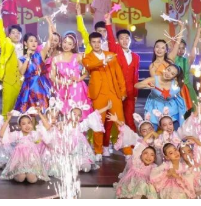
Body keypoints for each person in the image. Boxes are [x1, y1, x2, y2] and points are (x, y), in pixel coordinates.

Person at [82, 32, 129, 160]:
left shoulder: (111, 55)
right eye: (94, 42)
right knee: (98, 123)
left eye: (99, 41)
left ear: (102, 42)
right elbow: (89, 66)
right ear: (90, 43)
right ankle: (98, 151)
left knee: (120, 122)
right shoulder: (87, 57)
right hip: (98, 95)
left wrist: (123, 91)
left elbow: (119, 74)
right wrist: (103, 61)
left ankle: (127, 151)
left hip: (113, 93)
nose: (97, 44)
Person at [104, 13, 140, 131]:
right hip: (116, 91)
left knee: (130, 119)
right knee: (113, 119)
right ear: (118, 41)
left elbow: (136, 76)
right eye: (121, 38)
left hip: (130, 93)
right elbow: (110, 39)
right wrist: (108, 23)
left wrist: (135, 94)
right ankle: (110, 141)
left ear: (130, 40)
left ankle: (133, 141)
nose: (124, 40)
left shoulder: (136, 57)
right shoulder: (116, 51)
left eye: (127, 38)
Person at [0, 110, 51, 183]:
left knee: (32, 180)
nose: (27, 126)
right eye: (23, 124)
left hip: (31, 163)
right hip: (20, 163)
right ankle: (17, 174)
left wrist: (40, 114)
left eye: (29, 123)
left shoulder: (33, 134)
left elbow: (47, 128)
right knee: (21, 178)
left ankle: (31, 173)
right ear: (19, 126)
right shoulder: (17, 134)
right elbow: (2, 135)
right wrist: (8, 120)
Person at [50, 30, 92, 117]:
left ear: (73, 46)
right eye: (65, 42)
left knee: (80, 114)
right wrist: (63, 82)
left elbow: (87, 71)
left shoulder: (78, 56)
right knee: (67, 115)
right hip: (64, 88)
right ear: (61, 43)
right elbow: (52, 77)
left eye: (69, 44)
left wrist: (79, 79)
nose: (66, 45)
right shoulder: (56, 59)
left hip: (78, 88)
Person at [135, 63, 187, 129]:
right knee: (152, 130)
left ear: (174, 77)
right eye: (168, 70)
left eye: (172, 74)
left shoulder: (176, 84)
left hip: (170, 107)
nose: (168, 74)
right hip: (154, 108)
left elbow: (175, 94)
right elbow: (136, 85)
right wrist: (146, 85)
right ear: (165, 69)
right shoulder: (154, 79)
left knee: (175, 129)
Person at [0, 3, 24, 116]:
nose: (16, 35)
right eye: (13, 33)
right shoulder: (6, 44)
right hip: (9, 81)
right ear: (9, 35)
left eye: (18, 33)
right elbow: (0, 32)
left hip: (23, 82)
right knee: (7, 110)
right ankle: (5, 127)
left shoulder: (26, 47)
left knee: (24, 110)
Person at [14, 33, 51, 112]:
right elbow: (22, 72)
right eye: (31, 41)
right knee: (29, 112)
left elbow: (49, 42)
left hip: (41, 86)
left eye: (35, 41)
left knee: (43, 111)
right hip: (29, 88)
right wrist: (28, 58)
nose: (34, 43)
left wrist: (50, 27)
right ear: (25, 43)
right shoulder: (21, 59)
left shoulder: (40, 54)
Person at [174, 24, 201, 113]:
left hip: (187, 89)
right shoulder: (171, 59)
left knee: (190, 113)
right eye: (179, 48)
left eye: (183, 48)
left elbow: (194, 46)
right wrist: (181, 28)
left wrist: (198, 32)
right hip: (175, 89)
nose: (181, 50)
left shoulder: (187, 61)